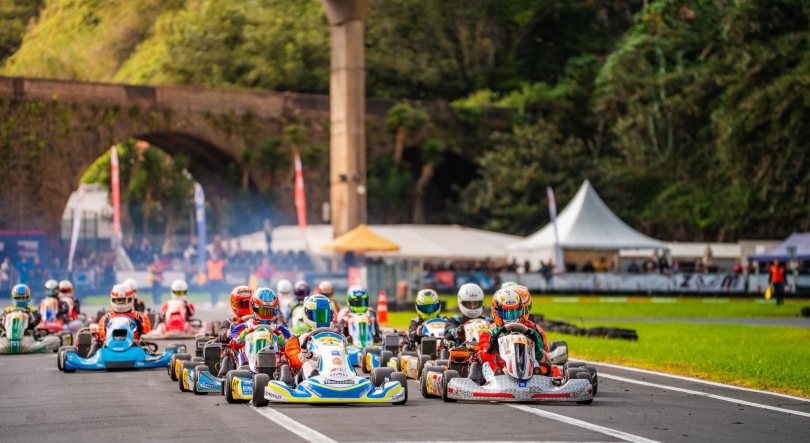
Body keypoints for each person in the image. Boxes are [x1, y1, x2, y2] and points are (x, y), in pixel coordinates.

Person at [479, 288, 554, 383]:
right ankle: (494, 379)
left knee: (535, 361)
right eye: (506, 313)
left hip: (526, 367)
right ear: (495, 312)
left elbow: (539, 356)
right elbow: (484, 357)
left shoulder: (530, 332)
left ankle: (537, 377)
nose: (511, 318)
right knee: (486, 364)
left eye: (514, 313)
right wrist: (490, 347)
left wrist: (535, 345)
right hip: (501, 369)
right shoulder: (489, 334)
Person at [285, 294, 335, 379]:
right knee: (307, 364)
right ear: (307, 314)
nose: (321, 319)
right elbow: (293, 360)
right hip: (306, 379)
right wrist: (303, 356)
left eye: (325, 316)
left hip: (333, 373)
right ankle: (315, 378)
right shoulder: (297, 339)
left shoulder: (335, 338)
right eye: (318, 316)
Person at [230, 288, 290, 353]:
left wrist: (282, 342)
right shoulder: (243, 327)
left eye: (269, 311)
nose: (266, 314)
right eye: (263, 311)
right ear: (254, 308)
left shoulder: (281, 330)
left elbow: (290, 349)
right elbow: (232, 345)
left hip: (274, 361)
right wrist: (241, 338)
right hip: (248, 361)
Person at [213, 286, 254, 376]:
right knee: (228, 350)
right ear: (234, 305)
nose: (246, 307)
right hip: (237, 351)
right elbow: (222, 336)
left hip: (256, 348)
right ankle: (225, 373)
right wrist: (228, 332)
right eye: (241, 304)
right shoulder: (228, 322)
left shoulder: (258, 322)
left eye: (248, 304)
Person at [445, 283, 487, 347]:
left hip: (485, 351)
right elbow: (448, 333)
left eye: (475, 303)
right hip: (462, 354)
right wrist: (458, 331)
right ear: (462, 302)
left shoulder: (487, 321)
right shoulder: (454, 321)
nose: (473, 307)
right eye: (469, 303)